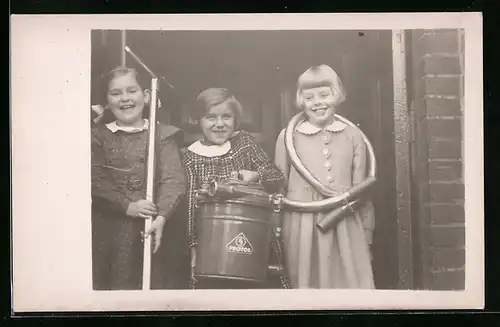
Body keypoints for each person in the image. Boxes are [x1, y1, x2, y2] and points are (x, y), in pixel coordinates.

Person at [274, 65, 375, 289]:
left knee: (351, 282)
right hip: (302, 222)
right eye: (309, 97)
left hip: (345, 218)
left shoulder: (353, 134)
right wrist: (277, 229)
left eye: (324, 95)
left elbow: (362, 191)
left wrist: (367, 233)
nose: (317, 102)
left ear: (337, 95)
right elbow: (278, 187)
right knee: (307, 282)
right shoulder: (287, 137)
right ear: (301, 100)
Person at [91, 66, 187, 290]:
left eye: (131, 91)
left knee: (154, 285)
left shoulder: (163, 135)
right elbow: (95, 178)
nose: (124, 98)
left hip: (153, 228)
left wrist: (162, 215)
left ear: (145, 96)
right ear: (107, 100)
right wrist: (127, 205)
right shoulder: (98, 137)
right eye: (115, 93)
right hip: (110, 231)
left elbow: (173, 179)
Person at [182, 87, 286, 289]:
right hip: (212, 245)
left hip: (252, 238)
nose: (219, 124)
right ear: (198, 120)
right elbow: (190, 208)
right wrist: (194, 249)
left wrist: (256, 176)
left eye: (226, 117)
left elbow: (277, 177)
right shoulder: (191, 157)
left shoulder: (244, 144)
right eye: (210, 117)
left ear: (236, 119)